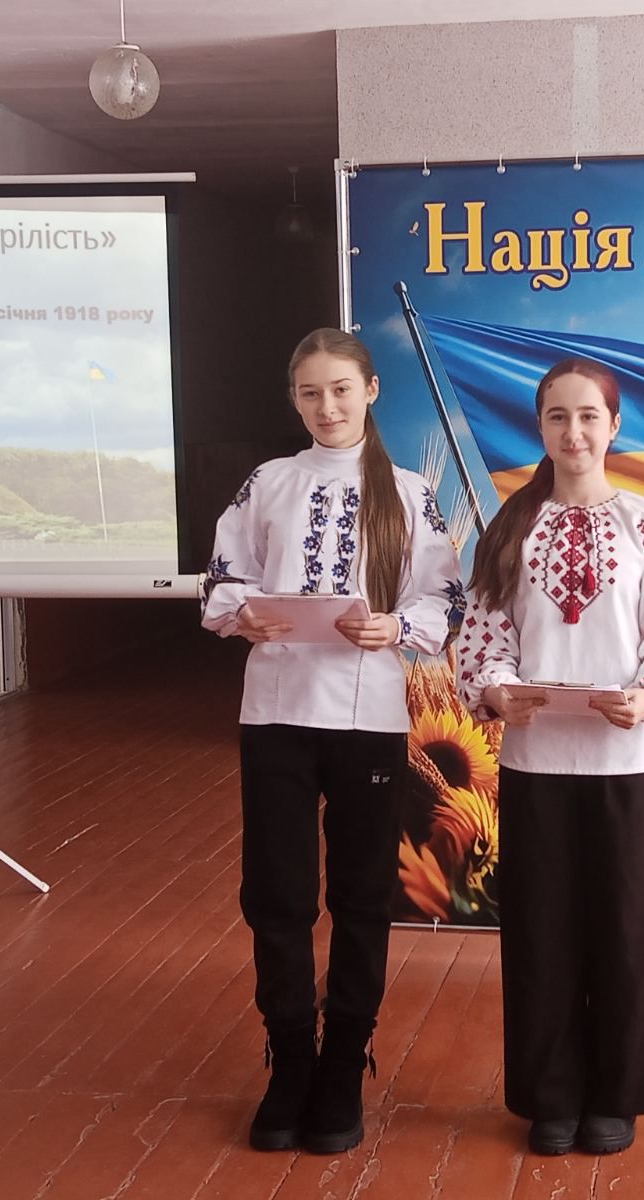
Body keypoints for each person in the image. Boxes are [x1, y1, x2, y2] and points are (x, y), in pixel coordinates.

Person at [202, 328, 463, 1154]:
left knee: (359, 896)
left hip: (368, 719)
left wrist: (399, 627)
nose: (327, 407)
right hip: (276, 712)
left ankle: (345, 1060)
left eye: (341, 389)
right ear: (294, 399)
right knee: (277, 895)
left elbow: (443, 595)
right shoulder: (268, 483)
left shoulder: (408, 491)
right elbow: (221, 578)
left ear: (371, 390)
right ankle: (289, 1061)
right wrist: (243, 613)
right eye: (310, 393)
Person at [455, 357, 644, 1157]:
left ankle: (617, 1096)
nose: (574, 432)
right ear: (539, 426)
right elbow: (484, 632)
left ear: (614, 425)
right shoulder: (510, 527)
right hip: (535, 761)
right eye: (558, 416)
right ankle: (551, 1096)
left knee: (626, 932)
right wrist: (496, 690)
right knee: (541, 933)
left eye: (589, 415)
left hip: (624, 764)